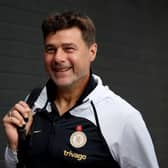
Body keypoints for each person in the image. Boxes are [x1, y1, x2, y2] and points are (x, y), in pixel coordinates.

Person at [2, 10, 159, 168]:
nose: (58, 58)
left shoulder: (123, 117)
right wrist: (15, 148)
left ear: (92, 52)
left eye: (69, 48)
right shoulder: (34, 100)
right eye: (51, 49)